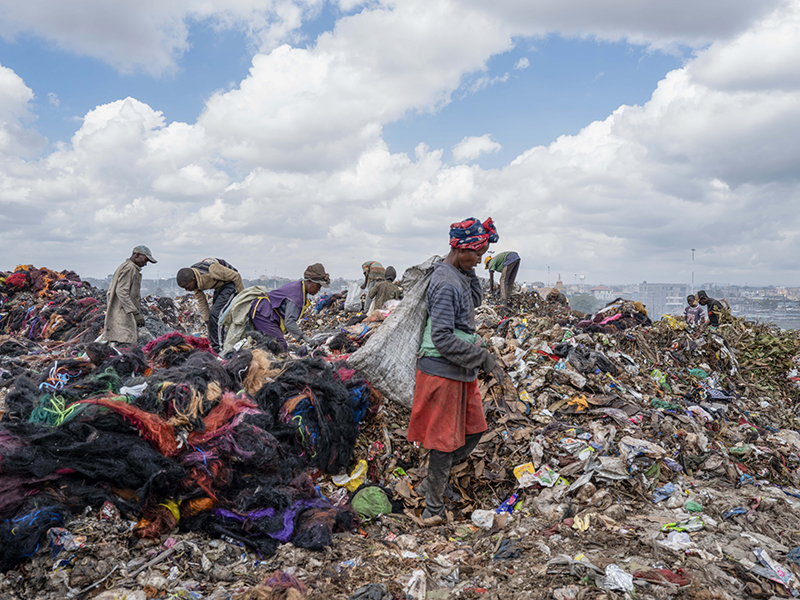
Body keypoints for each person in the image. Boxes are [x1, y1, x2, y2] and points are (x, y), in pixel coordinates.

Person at [407, 217, 505, 525]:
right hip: (442, 370)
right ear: (459, 249)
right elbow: (442, 338)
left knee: (474, 430)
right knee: (443, 441)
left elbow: (474, 300)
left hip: (458, 369)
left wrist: (473, 269)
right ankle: (432, 508)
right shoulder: (446, 283)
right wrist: (481, 358)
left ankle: (431, 482)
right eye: (476, 254)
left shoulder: (459, 275)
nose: (479, 259)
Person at [246, 263, 331, 351]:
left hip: (265, 312)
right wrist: (306, 338)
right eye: (318, 286)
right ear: (309, 281)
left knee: (270, 344)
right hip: (262, 313)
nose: (319, 290)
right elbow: (289, 322)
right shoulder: (296, 296)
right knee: (279, 345)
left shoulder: (300, 287)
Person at [176, 258, 244, 352]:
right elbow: (202, 301)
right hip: (219, 287)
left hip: (230, 283)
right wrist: (208, 322)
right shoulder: (194, 282)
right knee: (213, 317)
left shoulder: (212, 270)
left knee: (216, 314)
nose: (187, 290)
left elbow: (236, 276)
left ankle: (218, 349)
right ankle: (218, 342)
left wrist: (242, 298)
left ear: (193, 279)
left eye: (187, 287)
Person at [103, 245, 156, 344]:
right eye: (145, 260)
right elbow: (121, 292)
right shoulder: (130, 268)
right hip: (123, 315)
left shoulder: (126, 266)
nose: (145, 264)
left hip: (122, 312)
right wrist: (135, 313)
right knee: (125, 344)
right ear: (137, 255)